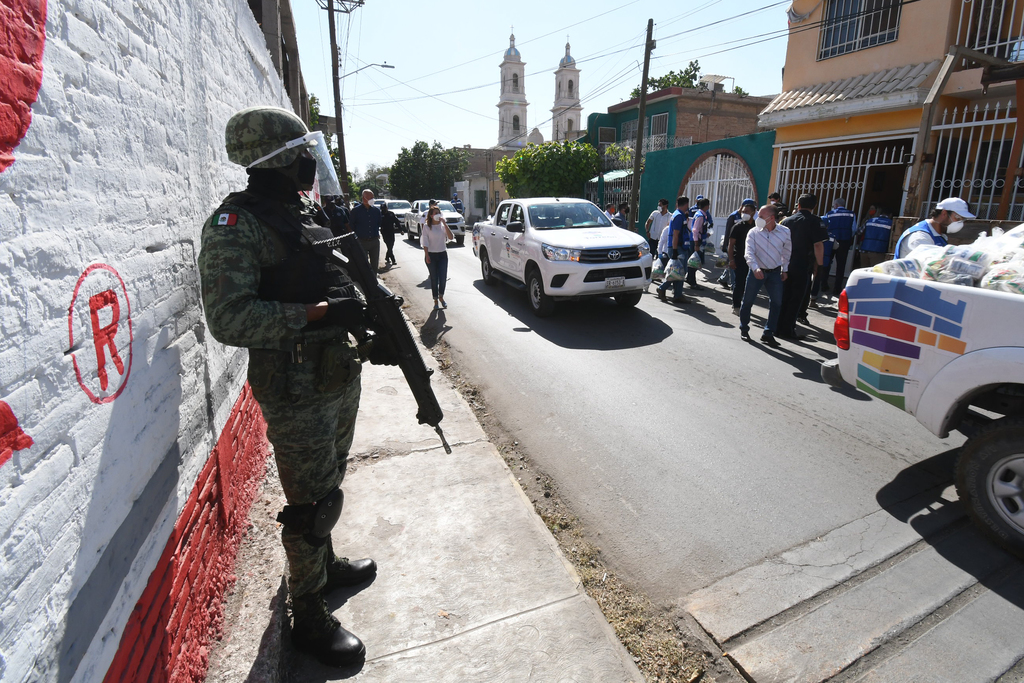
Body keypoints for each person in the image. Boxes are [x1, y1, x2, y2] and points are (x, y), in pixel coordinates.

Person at [198, 106, 388, 668]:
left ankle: (323, 568)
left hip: (335, 375)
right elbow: (229, 318)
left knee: (330, 482)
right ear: (280, 160)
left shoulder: (298, 214)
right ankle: (306, 614)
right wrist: (316, 313)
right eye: (303, 154)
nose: (311, 163)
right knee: (311, 503)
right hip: (297, 388)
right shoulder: (236, 226)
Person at [739, 204, 792, 347]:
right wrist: (755, 268)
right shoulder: (754, 233)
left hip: (775, 273)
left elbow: (786, 252)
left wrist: (784, 269)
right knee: (748, 301)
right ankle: (744, 328)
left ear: (772, 218)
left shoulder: (785, 232)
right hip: (756, 271)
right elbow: (748, 253)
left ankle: (768, 333)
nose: (758, 219)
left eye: (761, 217)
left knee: (776, 303)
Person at [777, 193, 827, 340]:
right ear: (814, 206)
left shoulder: (786, 221)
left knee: (784, 296)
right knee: (796, 298)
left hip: (785, 263)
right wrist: (820, 265)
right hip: (802, 264)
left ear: (798, 205)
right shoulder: (815, 221)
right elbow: (818, 245)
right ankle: (787, 330)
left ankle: (776, 327)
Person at [895, 197, 974, 258]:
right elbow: (930, 265)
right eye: (958, 218)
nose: (960, 223)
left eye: (962, 220)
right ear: (944, 213)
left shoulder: (939, 235)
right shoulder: (920, 237)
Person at [656, 196, 694, 304]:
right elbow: (675, 235)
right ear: (686, 204)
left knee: (680, 272)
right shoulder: (678, 216)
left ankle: (677, 295)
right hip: (678, 247)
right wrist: (675, 250)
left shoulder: (680, 215)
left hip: (681, 247)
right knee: (677, 272)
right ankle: (662, 288)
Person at [718, 198, 757, 289]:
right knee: (732, 266)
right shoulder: (733, 216)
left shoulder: (754, 224)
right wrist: (726, 247)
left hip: (745, 251)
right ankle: (733, 285)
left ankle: (723, 279)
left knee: (731, 267)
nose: (745, 213)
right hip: (733, 247)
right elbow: (728, 232)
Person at [728, 200, 758, 315]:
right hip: (740, 259)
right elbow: (731, 244)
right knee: (739, 283)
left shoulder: (757, 227)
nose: (744, 213)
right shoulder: (737, 227)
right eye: (743, 211)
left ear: (753, 212)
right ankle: (736, 306)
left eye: (747, 212)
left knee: (750, 285)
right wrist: (731, 259)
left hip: (754, 260)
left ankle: (746, 306)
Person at [422, 205, 455, 309]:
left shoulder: (442, 226)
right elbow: (425, 242)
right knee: (434, 278)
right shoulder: (427, 227)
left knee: (443, 277)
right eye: (435, 213)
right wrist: (427, 255)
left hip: (442, 255)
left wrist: (445, 224)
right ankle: (435, 300)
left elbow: (450, 237)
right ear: (431, 215)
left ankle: (441, 296)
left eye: (439, 213)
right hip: (431, 255)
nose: (438, 215)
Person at [824, 197, 857, 295]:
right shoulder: (851, 214)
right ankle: (837, 288)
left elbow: (826, 227)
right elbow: (854, 229)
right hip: (844, 241)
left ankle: (824, 285)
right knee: (841, 265)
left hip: (831, 241)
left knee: (827, 262)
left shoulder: (830, 214)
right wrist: (847, 236)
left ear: (836, 205)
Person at [350, 189, 383, 273]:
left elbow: (379, 223)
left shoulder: (376, 211)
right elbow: (351, 226)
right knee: (363, 265)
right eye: (370, 197)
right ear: (364, 198)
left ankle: (374, 283)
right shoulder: (355, 211)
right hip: (361, 241)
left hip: (374, 241)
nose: (373, 199)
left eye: (373, 197)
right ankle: (366, 284)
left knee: (374, 265)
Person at [687, 197, 711, 288]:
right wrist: (696, 244)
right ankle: (692, 281)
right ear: (706, 206)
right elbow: (695, 230)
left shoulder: (700, 214)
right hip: (696, 241)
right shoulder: (700, 216)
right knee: (695, 262)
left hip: (698, 239)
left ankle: (690, 278)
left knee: (695, 261)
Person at [379, 201, 400, 267]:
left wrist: (401, 230)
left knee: (391, 244)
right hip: (384, 232)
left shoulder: (391, 214)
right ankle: (393, 260)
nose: (384, 210)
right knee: (389, 245)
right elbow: (376, 224)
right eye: (382, 209)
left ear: (387, 208)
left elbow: (396, 222)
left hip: (391, 231)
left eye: (385, 208)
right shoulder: (380, 215)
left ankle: (387, 257)